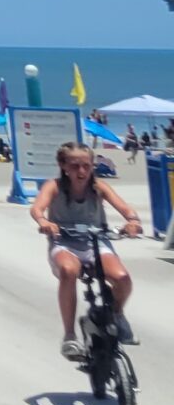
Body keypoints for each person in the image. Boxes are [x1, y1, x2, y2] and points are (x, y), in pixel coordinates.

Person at [30, 141, 144, 362]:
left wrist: (132, 221)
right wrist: (44, 222)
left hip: (96, 241)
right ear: (63, 166)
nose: (81, 171)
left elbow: (124, 207)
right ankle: (69, 336)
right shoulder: (54, 186)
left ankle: (117, 314)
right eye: (75, 166)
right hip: (64, 242)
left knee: (122, 278)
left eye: (86, 165)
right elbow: (37, 208)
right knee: (68, 271)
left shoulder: (99, 186)